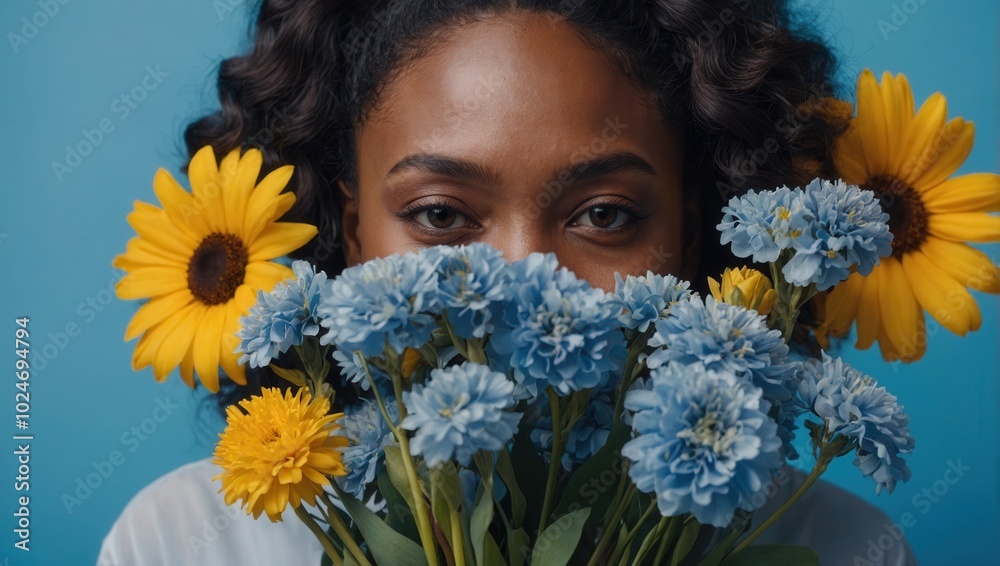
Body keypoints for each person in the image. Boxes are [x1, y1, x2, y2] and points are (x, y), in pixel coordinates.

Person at [99, 0, 917, 564]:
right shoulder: (183, 540)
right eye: (443, 216)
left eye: (602, 215)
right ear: (350, 231)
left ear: (695, 228)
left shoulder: (839, 549)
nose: (528, 289)